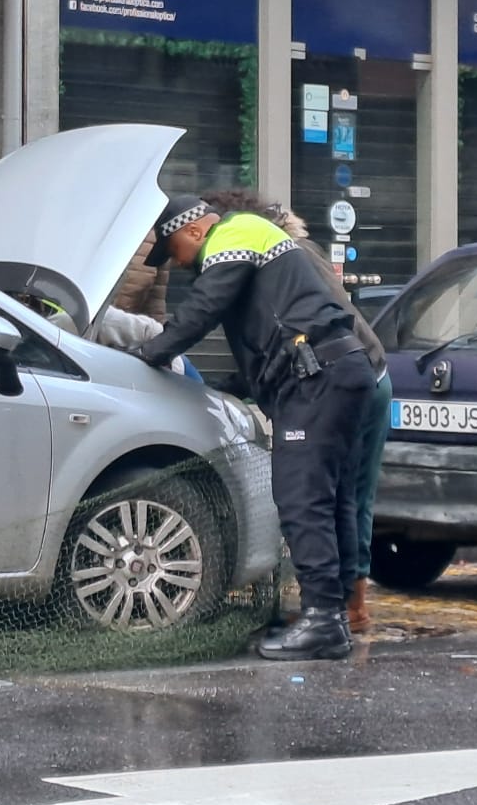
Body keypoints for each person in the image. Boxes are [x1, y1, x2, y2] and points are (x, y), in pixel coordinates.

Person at [131, 193, 375, 661]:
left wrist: (147, 355)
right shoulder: (258, 245)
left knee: (302, 497)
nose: (179, 264)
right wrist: (225, 386)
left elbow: (204, 309)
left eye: (175, 249)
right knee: (330, 498)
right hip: (336, 371)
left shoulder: (235, 232)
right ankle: (334, 616)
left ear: (195, 230)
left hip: (316, 379)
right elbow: (267, 337)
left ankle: (323, 619)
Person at [221, 196, 392, 636]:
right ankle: (343, 606)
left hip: (352, 377)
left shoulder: (287, 257)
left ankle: (347, 607)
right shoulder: (298, 254)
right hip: (364, 373)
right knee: (344, 496)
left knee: (340, 496)